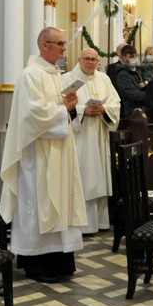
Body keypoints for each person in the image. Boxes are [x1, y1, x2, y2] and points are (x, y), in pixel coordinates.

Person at [0, 27, 87, 283]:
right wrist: (63, 109)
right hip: (38, 156)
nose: (63, 48)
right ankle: (36, 264)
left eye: (63, 43)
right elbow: (32, 115)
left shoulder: (56, 74)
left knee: (59, 201)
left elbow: (60, 108)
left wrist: (69, 107)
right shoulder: (31, 75)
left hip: (59, 152)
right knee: (38, 204)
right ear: (44, 45)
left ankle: (60, 261)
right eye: (59, 43)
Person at [62, 48, 121, 235]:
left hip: (99, 135)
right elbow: (60, 106)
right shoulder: (68, 79)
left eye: (94, 60)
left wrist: (104, 109)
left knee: (99, 177)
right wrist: (82, 111)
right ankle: (81, 225)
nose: (90, 63)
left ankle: (100, 222)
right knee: (83, 177)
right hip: (79, 138)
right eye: (86, 59)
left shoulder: (104, 79)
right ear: (79, 60)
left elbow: (116, 103)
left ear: (98, 62)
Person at [116, 45, 148, 119]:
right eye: (131, 57)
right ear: (124, 58)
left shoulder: (139, 70)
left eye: (136, 55)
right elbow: (132, 94)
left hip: (145, 109)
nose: (134, 58)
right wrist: (151, 95)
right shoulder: (122, 75)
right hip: (133, 112)